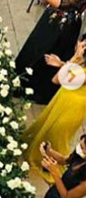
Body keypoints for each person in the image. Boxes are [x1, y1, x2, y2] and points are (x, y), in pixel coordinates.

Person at [16, 0, 86, 104]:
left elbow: (62, 4)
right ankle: (20, 78)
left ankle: (35, 89)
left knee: (47, 54)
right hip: (50, 18)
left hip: (64, 28)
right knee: (34, 46)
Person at [23, 41, 86, 179]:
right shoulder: (82, 64)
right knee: (48, 128)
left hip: (72, 107)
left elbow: (58, 79)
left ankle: (50, 165)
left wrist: (74, 58)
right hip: (64, 99)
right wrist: (64, 63)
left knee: (57, 136)